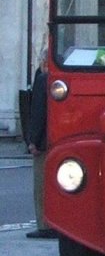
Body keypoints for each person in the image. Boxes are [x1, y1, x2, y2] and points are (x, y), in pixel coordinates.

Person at [26, 51, 56, 239]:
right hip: (58, 140)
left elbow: (38, 113)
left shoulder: (43, 80)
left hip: (43, 143)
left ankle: (45, 225)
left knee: (41, 185)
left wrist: (33, 141)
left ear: (45, 61)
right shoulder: (61, 80)